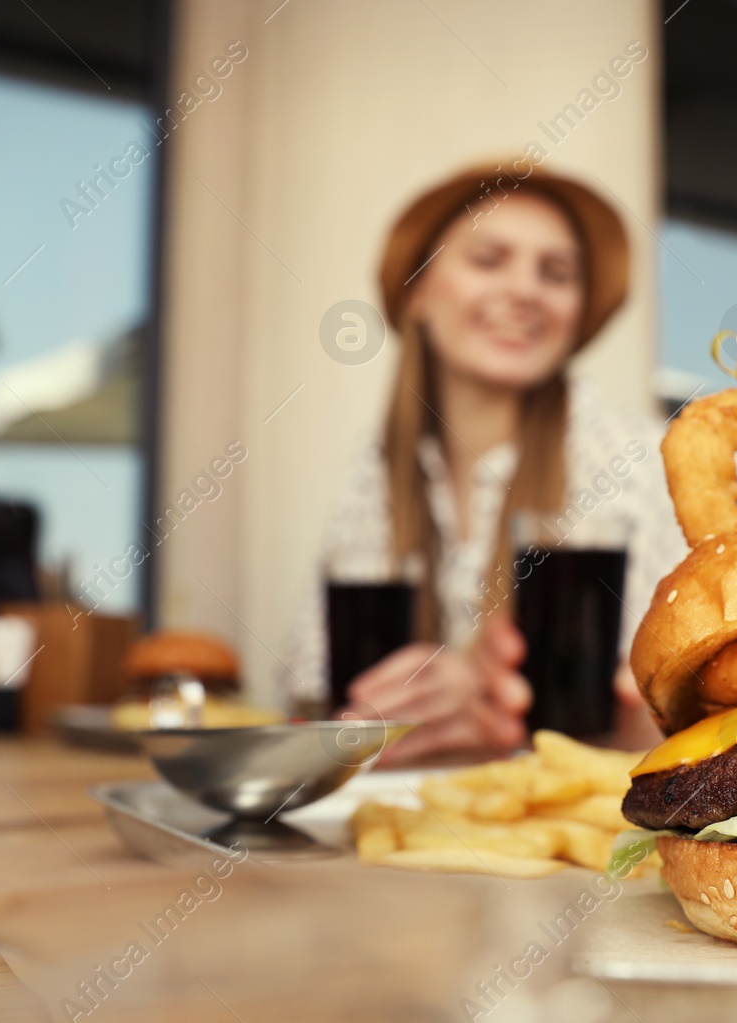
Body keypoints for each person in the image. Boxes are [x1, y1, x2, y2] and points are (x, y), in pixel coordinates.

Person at [283, 163, 684, 765]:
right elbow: (306, 686)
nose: (525, 291)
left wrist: (495, 709)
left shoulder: (638, 459)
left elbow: (676, 717)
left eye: (556, 273)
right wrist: (373, 721)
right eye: (489, 259)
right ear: (417, 291)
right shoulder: (380, 466)